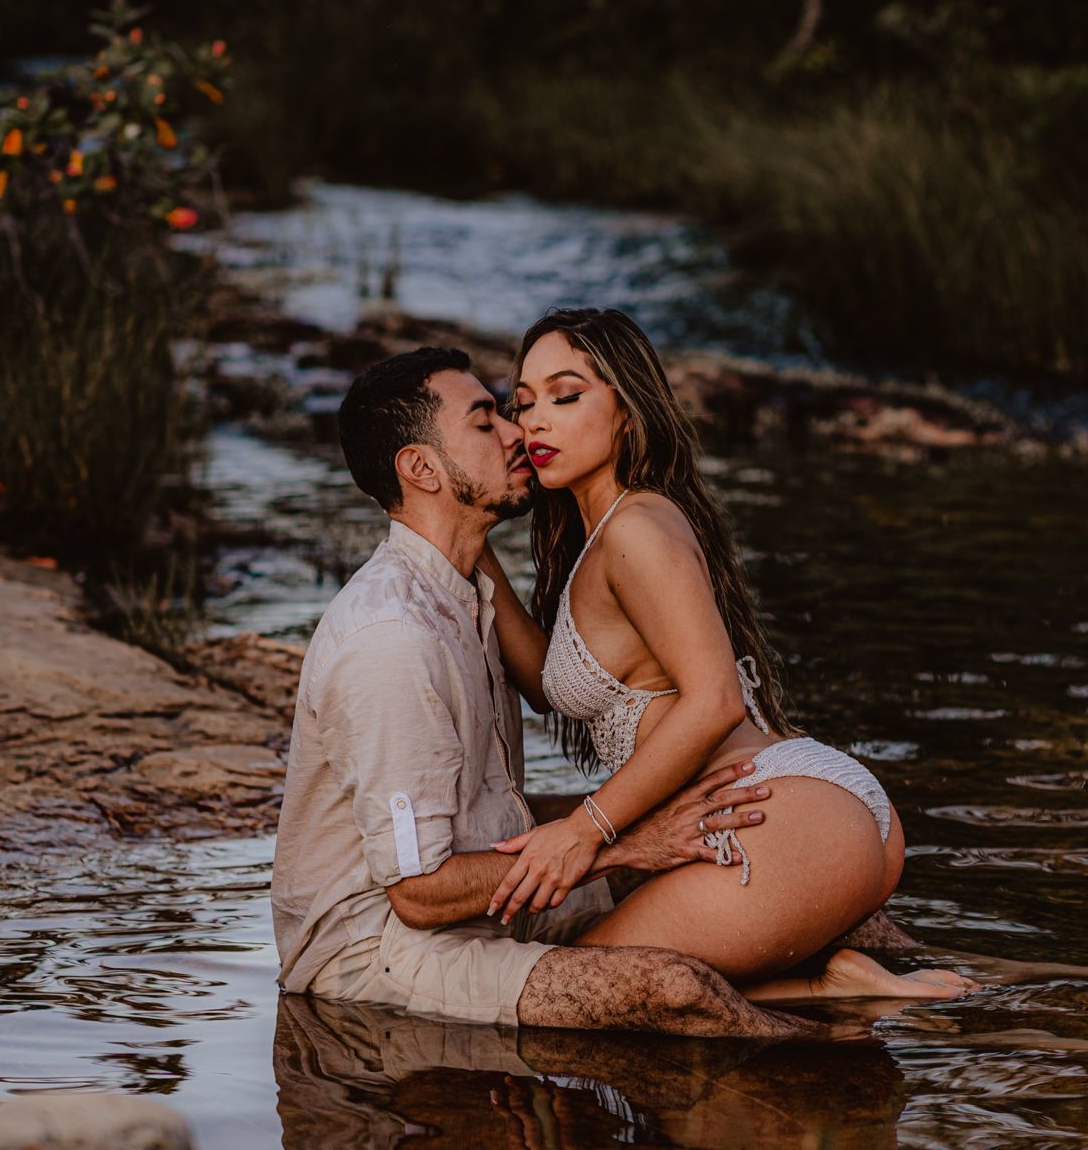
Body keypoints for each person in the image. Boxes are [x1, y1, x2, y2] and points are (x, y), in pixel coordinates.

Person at [270, 346, 873, 1037]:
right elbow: (418, 892)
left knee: (749, 868)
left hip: (487, 899)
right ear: (422, 469)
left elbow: (492, 808)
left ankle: (838, 987)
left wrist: (640, 832)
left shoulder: (467, 594)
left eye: (511, 411)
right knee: (674, 988)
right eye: (486, 420)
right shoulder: (393, 637)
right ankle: (835, 1060)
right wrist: (616, 845)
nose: (515, 433)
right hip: (378, 948)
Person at [475, 308, 976, 1001]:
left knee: (571, 988)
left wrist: (584, 831)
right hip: (803, 816)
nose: (534, 423)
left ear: (628, 411)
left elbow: (715, 700)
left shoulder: (637, 529)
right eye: (523, 404)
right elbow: (542, 680)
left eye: (566, 396)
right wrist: (469, 541)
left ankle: (828, 988)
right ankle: (824, 984)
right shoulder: (606, 534)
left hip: (779, 817)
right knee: (610, 990)